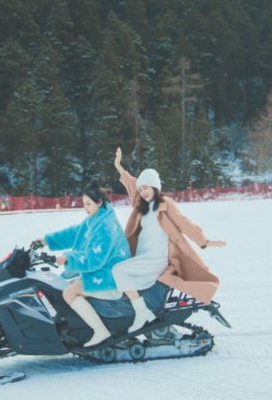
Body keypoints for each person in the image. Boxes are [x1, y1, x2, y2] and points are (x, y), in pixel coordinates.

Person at [113, 147, 227, 332]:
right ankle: (133, 313)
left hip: (156, 259)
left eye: (146, 188)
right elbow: (130, 182)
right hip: (141, 258)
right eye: (140, 189)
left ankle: (142, 313)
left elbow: (184, 222)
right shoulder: (141, 205)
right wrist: (118, 166)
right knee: (116, 274)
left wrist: (204, 241)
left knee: (118, 271)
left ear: (155, 187)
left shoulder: (166, 206)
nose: (142, 191)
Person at [36, 181, 131, 347]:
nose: (86, 208)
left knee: (69, 293)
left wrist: (69, 257)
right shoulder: (96, 218)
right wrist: (48, 240)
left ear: (99, 202)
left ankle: (100, 330)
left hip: (110, 276)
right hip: (104, 270)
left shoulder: (105, 227)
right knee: (65, 285)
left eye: (88, 204)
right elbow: (75, 233)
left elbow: (95, 258)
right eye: (84, 204)